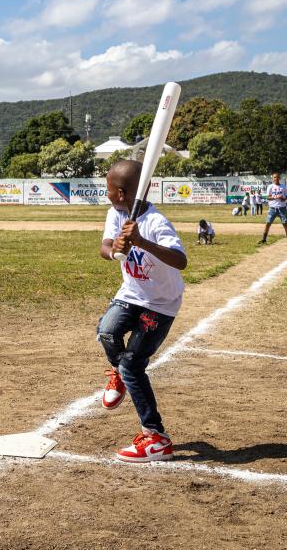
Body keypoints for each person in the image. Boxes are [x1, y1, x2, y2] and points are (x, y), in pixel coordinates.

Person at [97, 159, 187, 463]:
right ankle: (118, 374)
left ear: (121, 192)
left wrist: (142, 242)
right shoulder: (116, 212)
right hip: (131, 294)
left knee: (134, 365)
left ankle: (156, 438)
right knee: (107, 332)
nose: (106, 194)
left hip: (160, 304)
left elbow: (180, 260)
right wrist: (115, 251)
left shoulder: (156, 222)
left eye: (109, 190)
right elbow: (106, 247)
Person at [259, 172, 287, 246]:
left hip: (282, 208)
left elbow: (286, 197)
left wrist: (283, 198)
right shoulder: (270, 187)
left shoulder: (283, 186)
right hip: (272, 208)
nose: (276, 179)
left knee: (285, 224)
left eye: (277, 177)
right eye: (274, 177)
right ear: (272, 179)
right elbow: (268, 197)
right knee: (268, 224)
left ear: (279, 178)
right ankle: (264, 239)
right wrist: (275, 197)